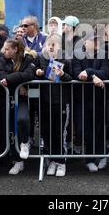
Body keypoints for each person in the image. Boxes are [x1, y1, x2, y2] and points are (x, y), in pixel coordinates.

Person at [0, 39, 36, 175]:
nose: (4, 51)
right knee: (9, 131)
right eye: (4, 49)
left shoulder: (27, 58)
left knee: (22, 120)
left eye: (7, 49)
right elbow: (0, 75)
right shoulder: (2, 59)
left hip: (24, 99)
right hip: (7, 99)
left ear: (15, 50)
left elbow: (29, 74)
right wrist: (18, 86)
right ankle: (17, 161)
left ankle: (25, 142)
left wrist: (11, 80)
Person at [35, 34, 73, 177]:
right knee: (47, 132)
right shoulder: (41, 59)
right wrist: (37, 72)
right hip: (45, 101)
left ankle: (61, 161)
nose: (51, 47)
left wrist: (63, 74)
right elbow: (34, 72)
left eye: (54, 44)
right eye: (49, 44)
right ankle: (51, 160)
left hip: (61, 101)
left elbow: (71, 78)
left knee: (59, 132)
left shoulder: (66, 60)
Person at [72, 35, 109, 172]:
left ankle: (98, 156)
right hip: (81, 98)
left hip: (99, 99)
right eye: (93, 40)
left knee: (98, 129)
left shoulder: (104, 55)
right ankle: (91, 158)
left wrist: (89, 72)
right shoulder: (78, 56)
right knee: (83, 129)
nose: (96, 43)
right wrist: (94, 76)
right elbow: (76, 73)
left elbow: (105, 73)